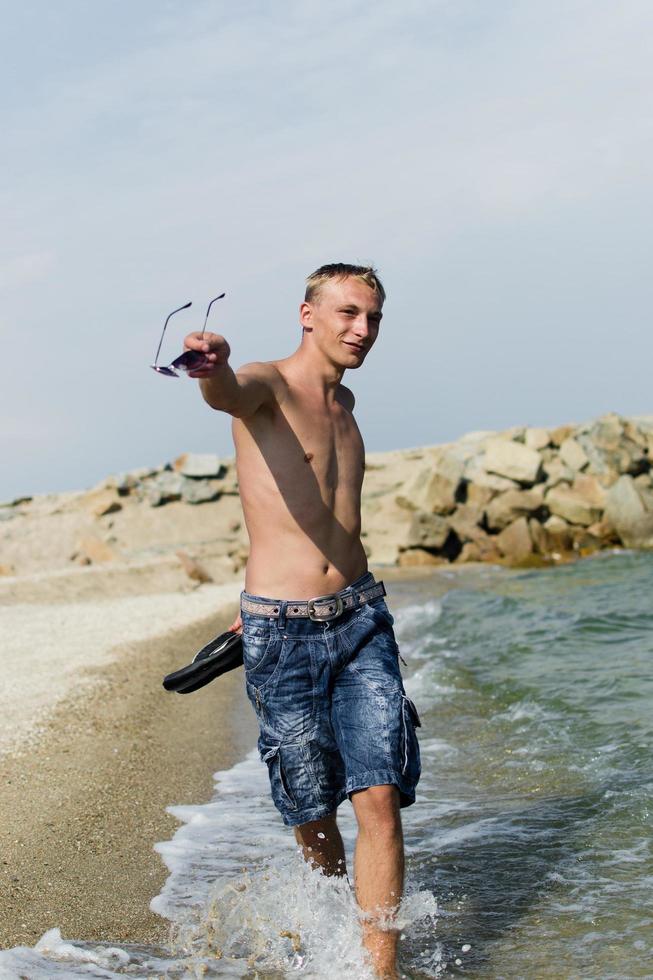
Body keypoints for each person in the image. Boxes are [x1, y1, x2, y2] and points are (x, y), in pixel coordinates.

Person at [183, 263, 420, 978]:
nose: (362, 330)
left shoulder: (346, 404)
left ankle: (377, 969)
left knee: (377, 793)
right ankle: (327, 935)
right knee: (312, 809)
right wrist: (212, 365)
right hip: (282, 631)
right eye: (348, 313)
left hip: (360, 619)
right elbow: (228, 392)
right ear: (306, 315)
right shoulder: (269, 385)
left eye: (373, 317)